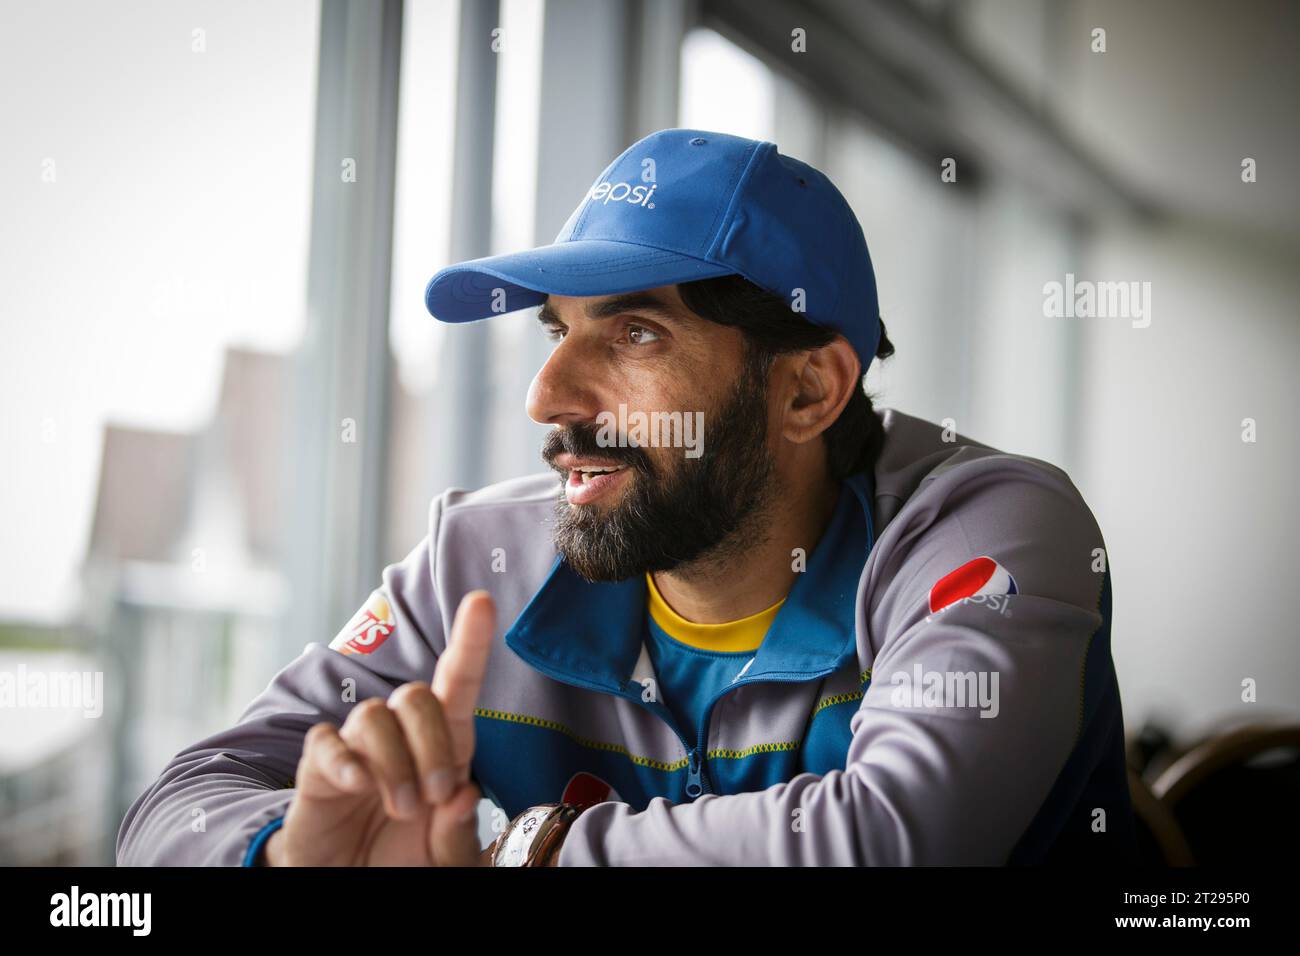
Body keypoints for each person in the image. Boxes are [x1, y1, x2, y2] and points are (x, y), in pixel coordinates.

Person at [116, 128, 1136, 867]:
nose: (545, 397)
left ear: (808, 387)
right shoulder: (479, 558)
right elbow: (174, 806)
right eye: (558, 332)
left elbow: (897, 835)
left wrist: (522, 852)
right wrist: (286, 852)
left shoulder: (994, 528)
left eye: (636, 333)